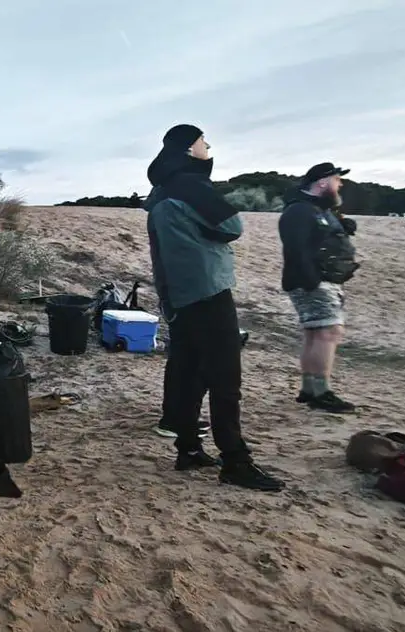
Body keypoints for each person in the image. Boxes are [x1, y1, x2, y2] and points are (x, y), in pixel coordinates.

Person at [144, 124, 285, 491]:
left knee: (190, 373)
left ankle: (188, 449)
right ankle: (235, 461)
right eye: (203, 142)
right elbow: (232, 224)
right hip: (209, 292)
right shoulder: (191, 186)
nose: (208, 146)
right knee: (225, 380)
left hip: (178, 295)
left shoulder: (160, 192)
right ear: (190, 150)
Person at [278, 163, 361, 413]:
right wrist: (311, 279)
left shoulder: (316, 210)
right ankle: (321, 392)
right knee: (329, 332)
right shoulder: (301, 211)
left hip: (320, 280)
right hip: (314, 281)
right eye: (337, 179)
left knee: (315, 333)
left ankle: (310, 388)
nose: (340, 184)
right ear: (322, 182)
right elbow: (296, 248)